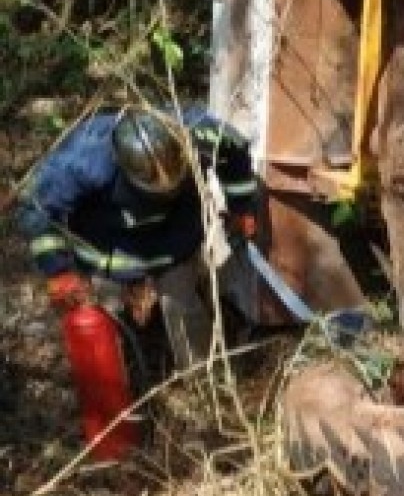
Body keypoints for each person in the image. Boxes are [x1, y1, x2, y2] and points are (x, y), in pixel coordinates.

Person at [17, 104, 259, 370]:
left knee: (181, 305)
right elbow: (36, 208)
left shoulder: (197, 132)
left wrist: (242, 206)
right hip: (107, 248)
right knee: (105, 320)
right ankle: (121, 372)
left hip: (174, 243)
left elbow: (233, 149)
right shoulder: (84, 161)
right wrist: (58, 270)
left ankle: (200, 373)